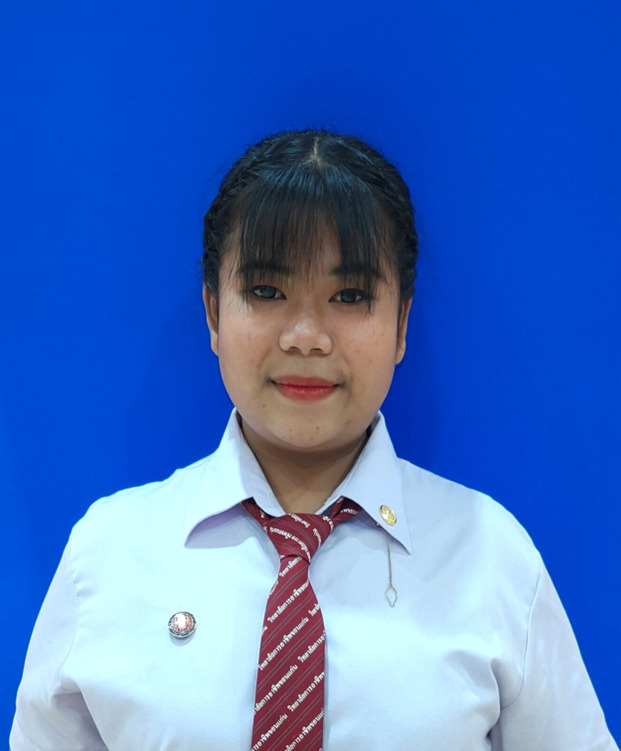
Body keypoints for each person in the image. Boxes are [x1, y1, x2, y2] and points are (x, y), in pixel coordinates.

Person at [10, 130, 618, 750]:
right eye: (266, 292)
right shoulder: (107, 557)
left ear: (401, 324)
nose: (305, 336)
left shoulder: (490, 558)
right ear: (214, 313)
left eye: (349, 296)